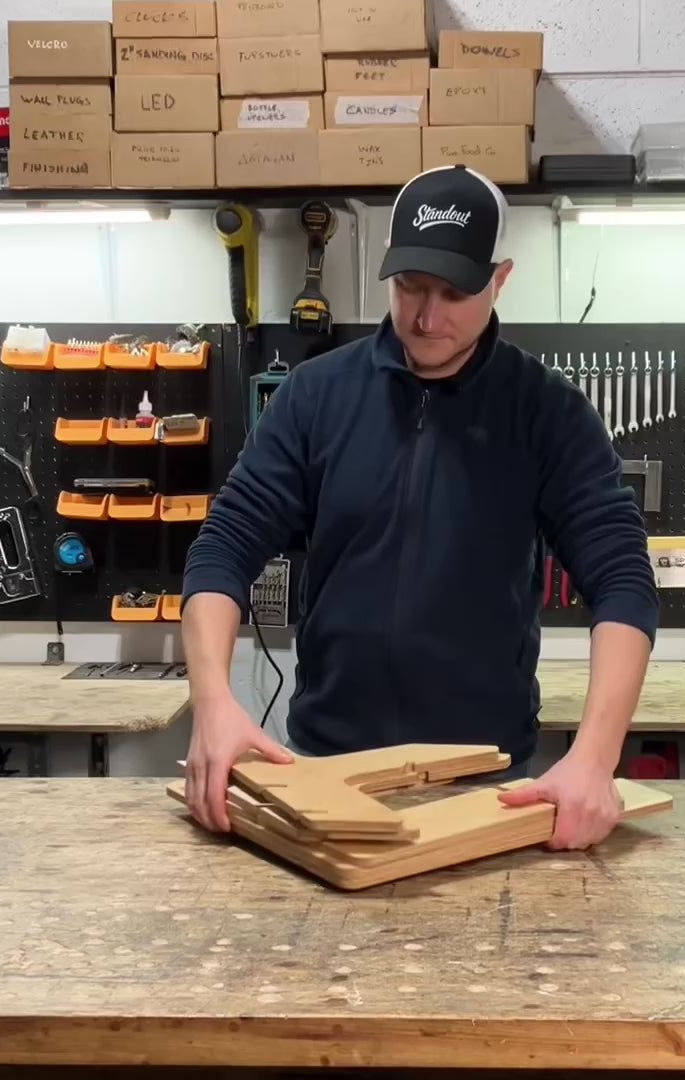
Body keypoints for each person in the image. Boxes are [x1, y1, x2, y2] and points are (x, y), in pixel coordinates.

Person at [180, 164, 659, 850]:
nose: (427, 317)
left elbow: (623, 582)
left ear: (500, 279)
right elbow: (222, 548)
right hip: (326, 766)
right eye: (409, 285)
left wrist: (595, 757)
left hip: (486, 781)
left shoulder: (547, 413)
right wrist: (214, 704)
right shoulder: (314, 395)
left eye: (455, 292)